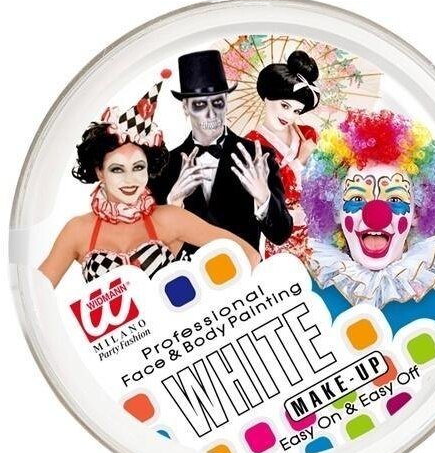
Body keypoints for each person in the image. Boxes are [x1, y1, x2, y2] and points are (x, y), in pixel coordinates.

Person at [39, 74, 260, 287]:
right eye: (117, 169)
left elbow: (249, 255)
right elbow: (36, 290)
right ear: (100, 172)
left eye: (138, 167)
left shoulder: (170, 218)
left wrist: (211, 301)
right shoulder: (77, 230)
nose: (130, 179)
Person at [301, 109, 435, 340]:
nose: (375, 215)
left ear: (417, 211)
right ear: (334, 210)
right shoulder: (303, 293)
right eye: (357, 198)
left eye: (394, 199)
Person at [148, 50, 292, 261]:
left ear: (226, 101)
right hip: (189, 277)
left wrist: (263, 198)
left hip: (248, 274)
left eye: (217, 102)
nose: (211, 113)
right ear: (186, 108)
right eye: (200, 104)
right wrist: (173, 204)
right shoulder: (164, 165)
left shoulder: (258, 156)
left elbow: (281, 234)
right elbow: (150, 243)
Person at [246, 50, 320, 260]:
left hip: (315, 228)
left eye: (296, 111)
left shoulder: (308, 135)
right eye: (285, 105)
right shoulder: (250, 144)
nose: (289, 116)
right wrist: (300, 161)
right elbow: (269, 192)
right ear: (267, 97)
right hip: (279, 231)